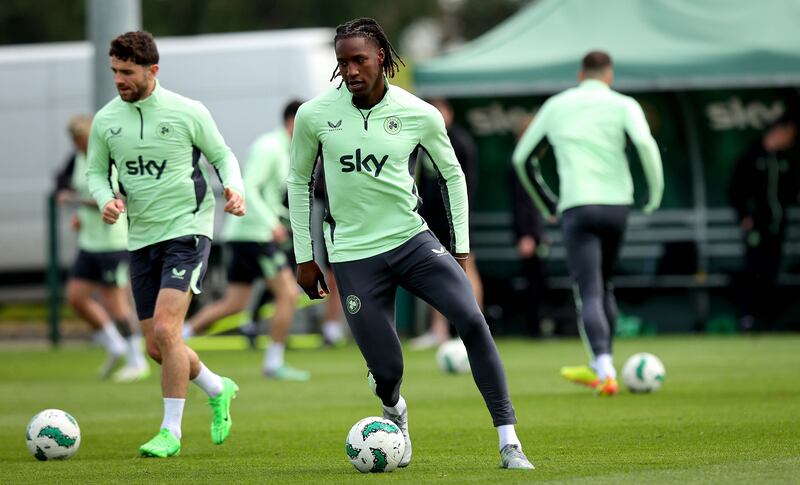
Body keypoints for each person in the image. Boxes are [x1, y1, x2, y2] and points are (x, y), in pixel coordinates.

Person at [287, 18, 533, 470]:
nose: (351, 69)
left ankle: (509, 441)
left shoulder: (419, 112)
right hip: (354, 256)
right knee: (388, 371)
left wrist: (460, 249)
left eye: (359, 59)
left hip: (412, 241)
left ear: (381, 56)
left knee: (472, 321)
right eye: (342, 62)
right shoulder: (314, 115)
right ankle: (394, 410)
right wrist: (305, 258)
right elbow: (299, 182)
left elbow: (453, 175)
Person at [86, 31, 245, 458]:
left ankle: (170, 432)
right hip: (140, 239)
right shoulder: (106, 121)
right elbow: (96, 173)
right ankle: (217, 386)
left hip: (188, 231)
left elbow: (223, 155)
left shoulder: (186, 112)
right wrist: (106, 200)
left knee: (165, 329)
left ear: (152, 70)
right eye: (114, 70)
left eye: (127, 71)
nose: (118, 79)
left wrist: (233, 187)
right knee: (157, 347)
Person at [512, 51, 664, 396]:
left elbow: (523, 158)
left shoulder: (557, 104)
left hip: (577, 206)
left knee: (590, 289)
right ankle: (603, 365)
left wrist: (547, 203)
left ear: (581, 75)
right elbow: (645, 145)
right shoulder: (623, 103)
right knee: (605, 283)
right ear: (608, 76)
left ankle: (604, 367)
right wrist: (654, 194)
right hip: (617, 206)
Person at [183, 100, 310, 381]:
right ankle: (273, 362)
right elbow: (249, 186)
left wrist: (284, 219)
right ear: (293, 122)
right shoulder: (270, 147)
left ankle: (178, 338)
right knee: (288, 294)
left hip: (245, 235)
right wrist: (271, 224)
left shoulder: (288, 149)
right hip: (254, 235)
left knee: (234, 303)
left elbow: (268, 196)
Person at [55, 114, 149, 382]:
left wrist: (78, 202)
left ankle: (136, 358)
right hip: (89, 242)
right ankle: (114, 343)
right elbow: (72, 186)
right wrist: (77, 211)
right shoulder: (78, 159)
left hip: (113, 242)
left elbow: (118, 198)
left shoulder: (111, 157)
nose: (79, 146)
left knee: (115, 303)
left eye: (82, 140)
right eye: (75, 141)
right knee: (76, 296)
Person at [409, 98, 483, 350]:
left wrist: (461, 217)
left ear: (449, 113)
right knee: (433, 271)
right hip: (430, 218)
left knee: (466, 267)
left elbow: (466, 183)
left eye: (441, 112)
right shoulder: (422, 141)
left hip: (456, 218)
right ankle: (438, 331)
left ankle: (475, 326)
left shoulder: (460, 142)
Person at [728, 111, 799, 331]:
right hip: (756, 226)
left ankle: (766, 320)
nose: (791, 141)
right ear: (780, 131)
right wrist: (744, 216)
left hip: (778, 226)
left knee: (771, 271)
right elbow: (734, 189)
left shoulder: (784, 160)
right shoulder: (751, 156)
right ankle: (748, 317)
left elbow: (790, 191)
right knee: (754, 270)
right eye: (790, 135)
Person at [510, 115, 548, 338]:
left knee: (538, 280)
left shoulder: (528, 160)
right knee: (532, 281)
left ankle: (538, 326)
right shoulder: (519, 161)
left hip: (534, 232)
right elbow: (521, 202)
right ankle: (533, 329)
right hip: (528, 234)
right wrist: (526, 234)